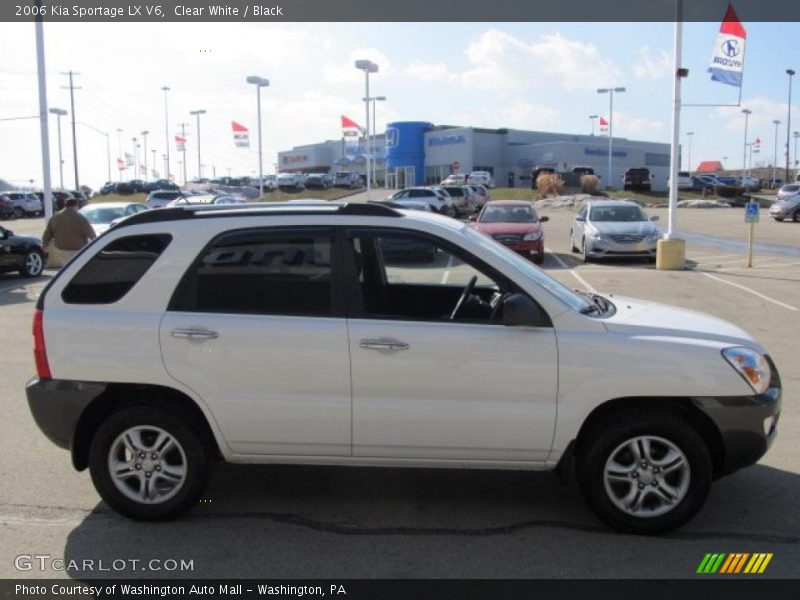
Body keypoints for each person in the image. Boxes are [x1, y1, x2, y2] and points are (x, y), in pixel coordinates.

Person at [42, 198, 96, 268]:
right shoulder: (80, 217)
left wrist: (45, 244)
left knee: (66, 268)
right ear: (75, 206)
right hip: (77, 250)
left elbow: (47, 233)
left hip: (61, 250)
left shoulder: (55, 217)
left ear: (65, 206)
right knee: (77, 270)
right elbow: (90, 233)